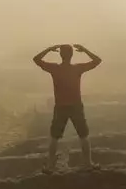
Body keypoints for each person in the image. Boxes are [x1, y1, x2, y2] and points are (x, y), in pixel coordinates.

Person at [32, 43, 102, 172]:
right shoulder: (77, 68)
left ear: (60, 55)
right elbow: (98, 60)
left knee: (54, 137)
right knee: (83, 135)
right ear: (72, 55)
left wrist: (48, 49)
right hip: (76, 106)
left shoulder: (54, 69)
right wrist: (85, 50)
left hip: (60, 107)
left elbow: (36, 59)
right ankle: (88, 164)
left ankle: (50, 166)